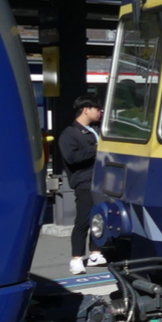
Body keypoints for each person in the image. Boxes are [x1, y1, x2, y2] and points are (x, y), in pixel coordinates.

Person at [59, 94, 105, 275]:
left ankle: (95, 253)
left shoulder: (96, 129)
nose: (100, 112)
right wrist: (96, 149)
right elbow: (71, 158)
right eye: (97, 109)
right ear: (86, 109)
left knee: (99, 218)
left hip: (101, 182)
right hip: (85, 182)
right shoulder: (70, 133)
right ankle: (76, 258)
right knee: (83, 220)